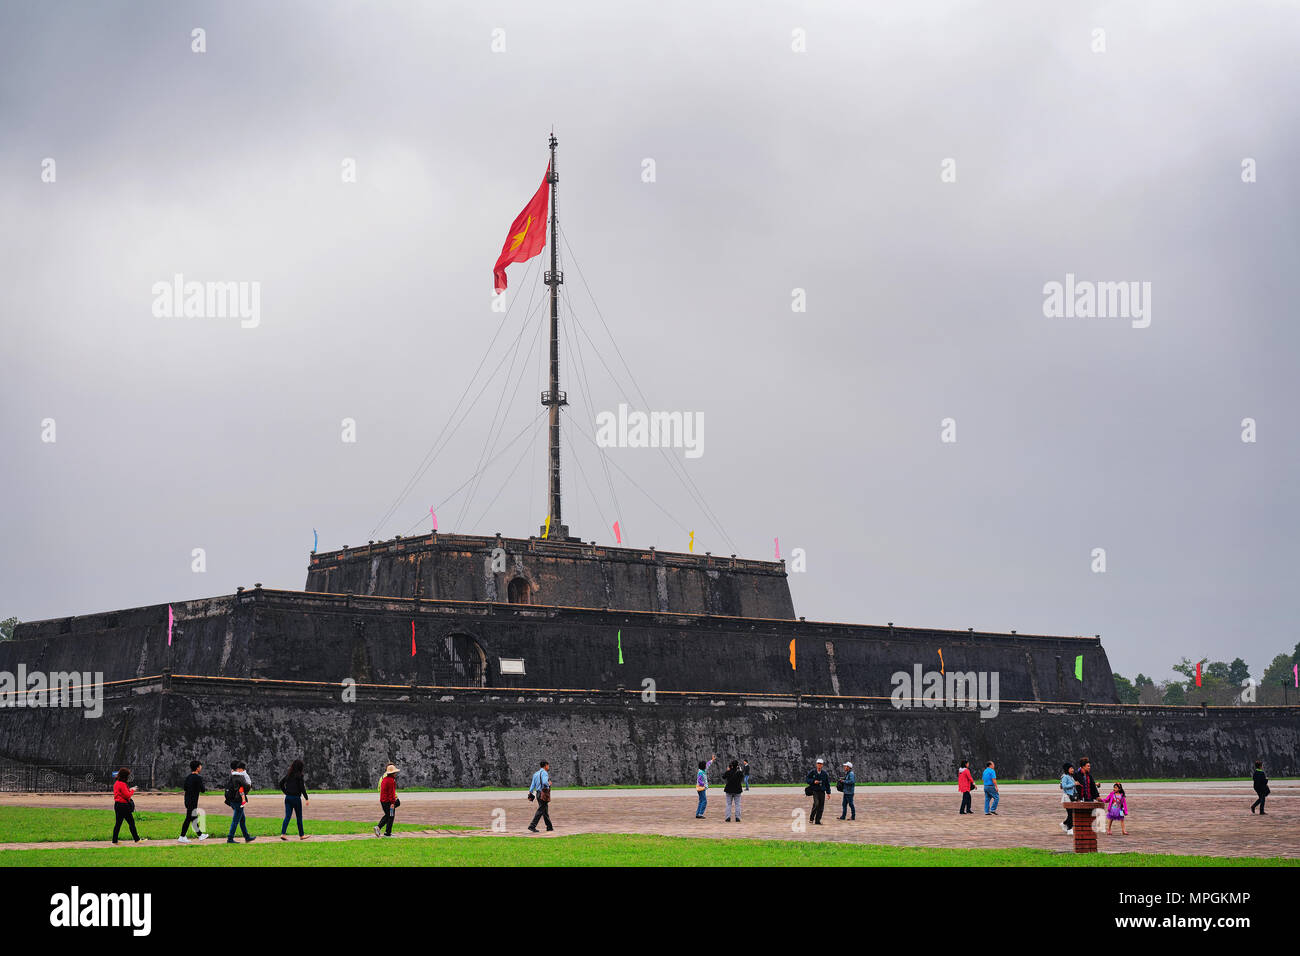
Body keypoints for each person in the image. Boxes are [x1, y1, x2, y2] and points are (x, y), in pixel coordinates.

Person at [278, 758, 310, 840]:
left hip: (288, 798)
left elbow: (281, 783)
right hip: (296, 799)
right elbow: (302, 788)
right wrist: (306, 798)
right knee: (299, 817)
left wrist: (286, 792)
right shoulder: (299, 776)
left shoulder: (289, 775)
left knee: (287, 816)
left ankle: (283, 833)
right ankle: (301, 835)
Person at [111, 767, 145, 844]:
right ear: (125, 776)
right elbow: (127, 796)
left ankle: (114, 840)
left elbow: (122, 793)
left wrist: (130, 789)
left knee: (118, 824)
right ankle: (137, 839)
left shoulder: (116, 783)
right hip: (124, 806)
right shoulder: (123, 784)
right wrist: (133, 790)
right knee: (131, 823)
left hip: (117, 805)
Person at [178, 760, 209, 843]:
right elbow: (203, 790)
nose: (201, 767)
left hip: (187, 800)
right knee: (189, 818)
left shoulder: (188, 777)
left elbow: (185, 788)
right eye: (200, 766)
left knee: (193, 817)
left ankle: (200, 835)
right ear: (197, 768)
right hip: (193, 801)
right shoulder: (198, 778)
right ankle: (182, 836)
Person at [226, 760, 256, 843]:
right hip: (238, 800)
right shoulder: (240, 777)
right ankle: (230, 838)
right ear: (238, 769)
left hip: (232, 800)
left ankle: (247, 837)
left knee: (242, 819)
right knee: (236, 820)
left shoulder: (232, 776)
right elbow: (247, 786)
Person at [374, 764, 400, 837]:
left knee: (389, 815)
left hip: (383, 801)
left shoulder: (384, 779)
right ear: (393, 773)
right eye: (395, 773)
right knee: (390, 815)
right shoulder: (391, 781)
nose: (396, 774)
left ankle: (387, 832)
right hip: (389, 802)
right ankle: (379, 828)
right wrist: (392, 803)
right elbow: (391, 793)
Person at [527, 760, 553, 832]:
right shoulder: (544, 773)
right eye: (548, 765)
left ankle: (549, 827)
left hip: (538, 794)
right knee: (541, 810)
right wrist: (549, 784)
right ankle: (532, 826)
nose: (548, 767)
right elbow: (545, 782)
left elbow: (532, 785)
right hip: (543, 793)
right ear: (545, 765)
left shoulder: (536, 774)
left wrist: (530, 792)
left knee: (544, 810)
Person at [806, 758, 831, 824]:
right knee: (816, 804)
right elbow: (807, 779)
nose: (819, 765)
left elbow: (827, 784)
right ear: (816, 764)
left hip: (822, 791)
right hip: (815, 791)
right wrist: (813, 781)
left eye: (820, 764)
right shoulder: (812, 772)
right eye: (818, 764)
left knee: (821, 806)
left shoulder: (824, 774)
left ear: (822, 765)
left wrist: (828, 793)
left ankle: (817, 820)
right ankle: (811, 818)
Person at [694, 754, 716, 819]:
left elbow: (708, 764)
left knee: (701, 801)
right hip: (701, 788)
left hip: (700, 788)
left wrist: (712, 760)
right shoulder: (701, 772)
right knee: (704, 801)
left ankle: (698, 813)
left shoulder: (702, 770)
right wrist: (702, 784)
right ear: (703, 766)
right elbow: (699, 779)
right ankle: (700, 814)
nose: (706, 766)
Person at [1059, 763, 1076, 834]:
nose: (1073, 769)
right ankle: (1069, 829)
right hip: (1067, 797)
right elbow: (1064, 786)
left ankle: (1064, 824)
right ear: (1067, 769)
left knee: (1071, 813)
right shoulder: (1065, 777)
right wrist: (1074, 784)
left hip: (1071, 797)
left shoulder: (1071, 777)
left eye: (1073, 768)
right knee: (1070, 813)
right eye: (1071, 768)